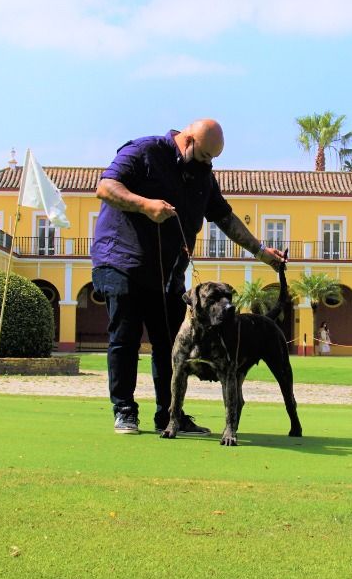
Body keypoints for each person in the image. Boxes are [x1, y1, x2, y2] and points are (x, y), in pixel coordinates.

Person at [92, 119, 286, 435]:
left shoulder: (203, 176)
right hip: (120, 260)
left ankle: (169, 415)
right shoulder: (144, 151)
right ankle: (125, 411)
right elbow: (105, 187)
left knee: (169, 343)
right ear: (189, 140)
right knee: (125, 338)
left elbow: (224, 218)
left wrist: (260, 251)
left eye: (213, 159)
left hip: (168, 271)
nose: (208, 164)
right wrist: (144, 205)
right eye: (206, 156)